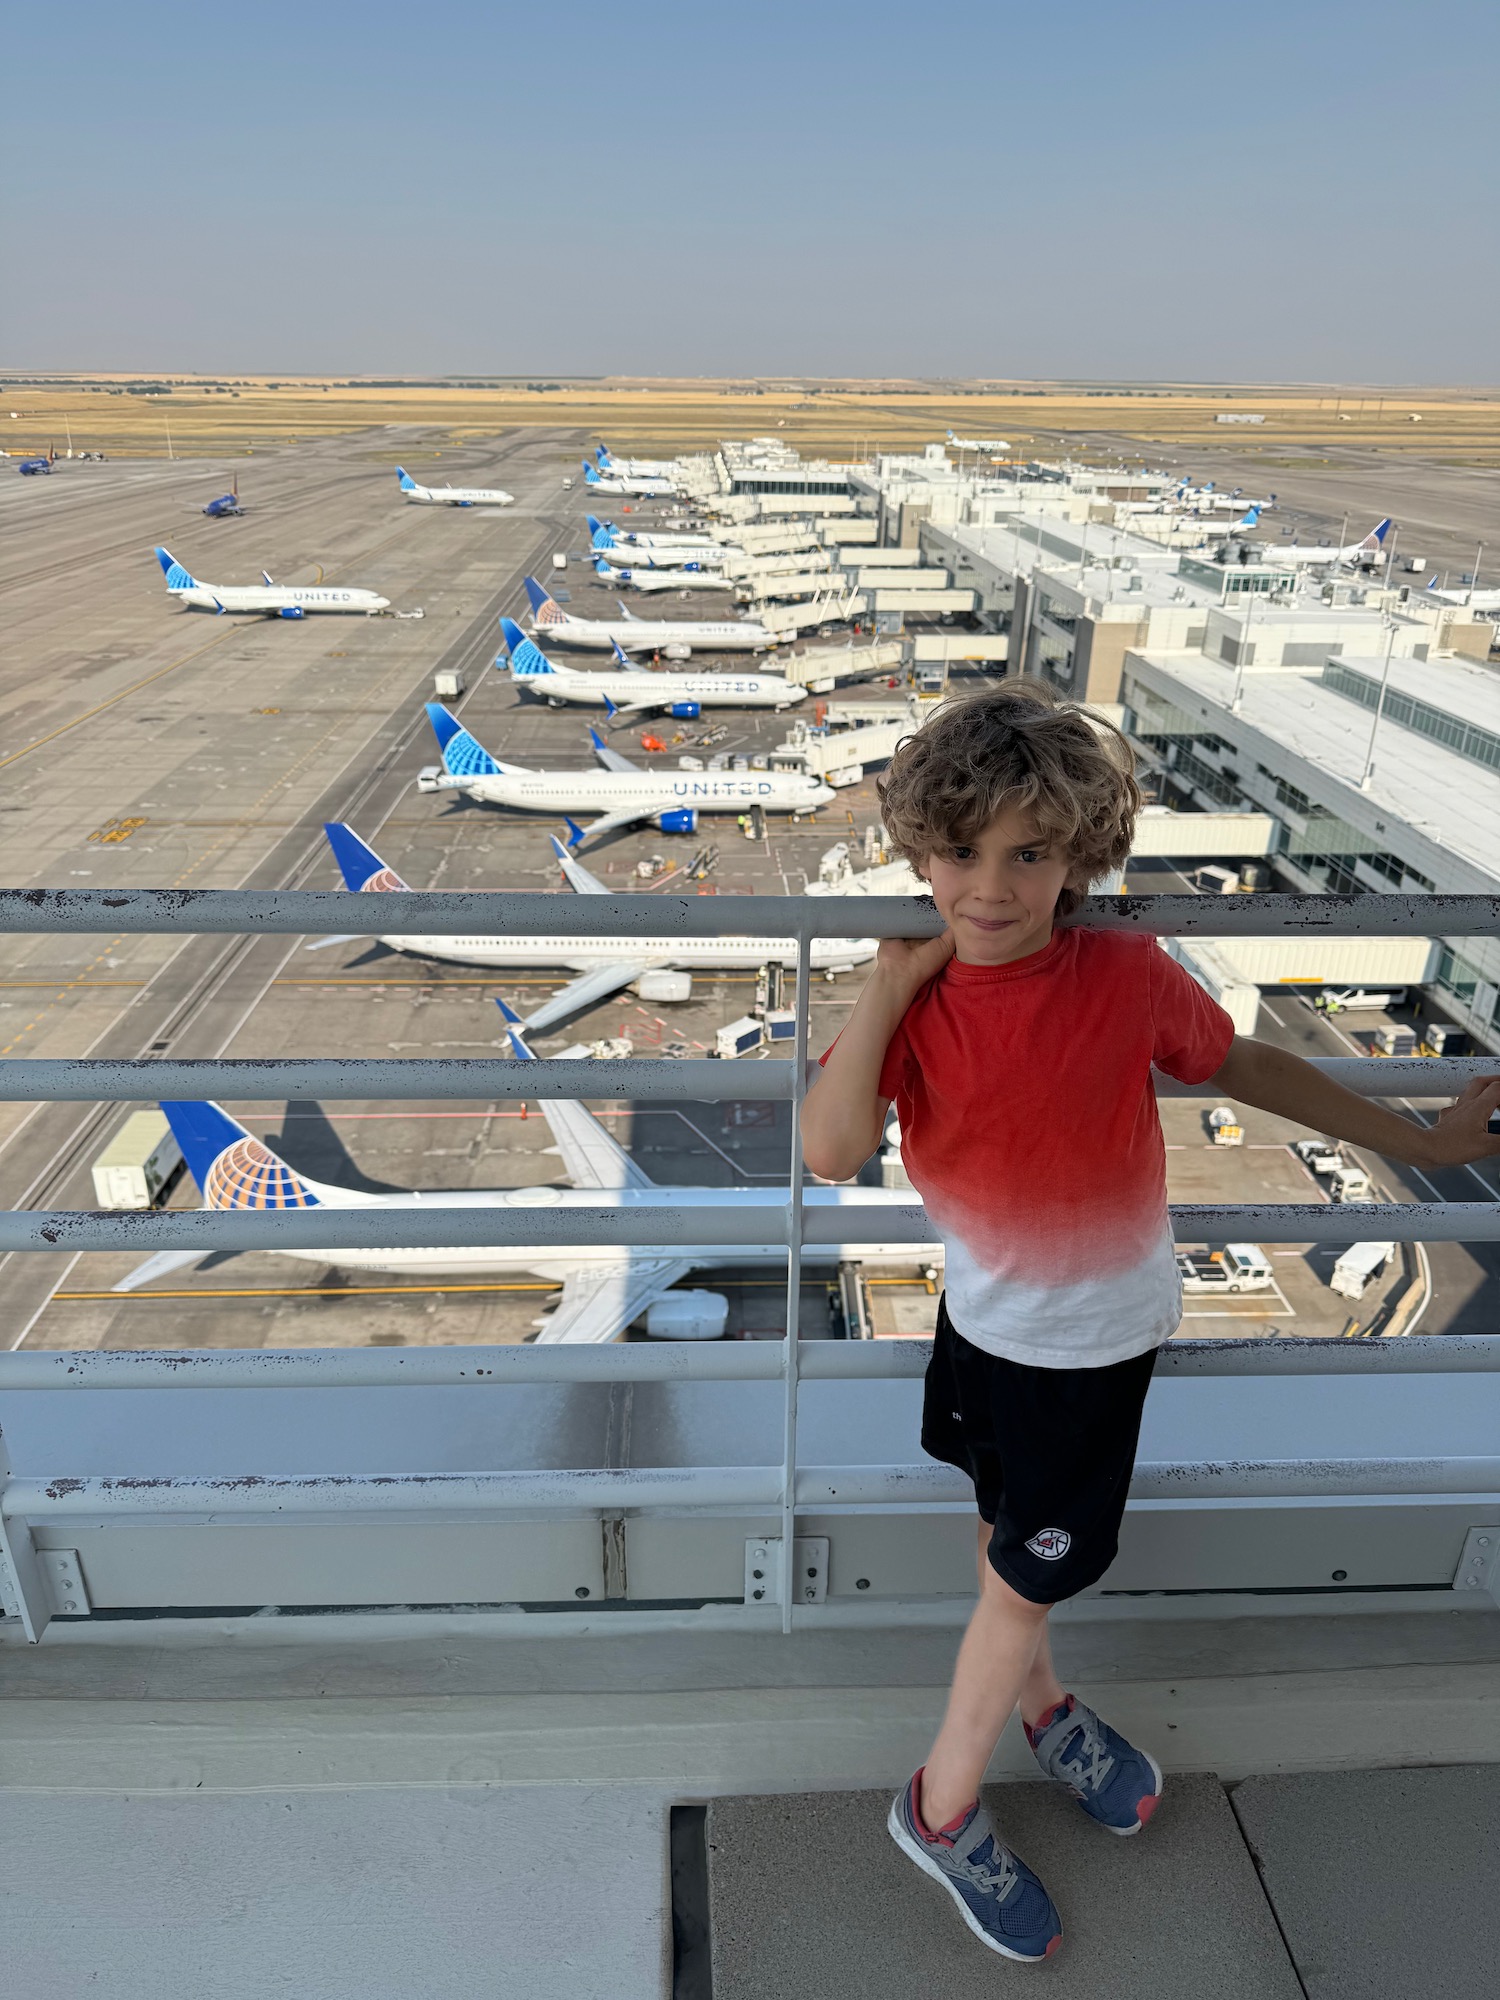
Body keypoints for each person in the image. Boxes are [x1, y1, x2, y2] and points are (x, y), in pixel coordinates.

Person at [800, 682, 1500, 1964]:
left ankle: (1044, 1706)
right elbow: (833, 1149)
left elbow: (1246, 1064)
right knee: (1023, 1566)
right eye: (959, 853)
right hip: (996, 1336)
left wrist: (1418, 1135)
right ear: (916, 855)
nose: (992, 887)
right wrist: (891, 989)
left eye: (1029, 852)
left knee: (1016, 1561)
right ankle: (938, 1807)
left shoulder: (1123, 972)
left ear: (1082, 856)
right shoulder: (923, 1002)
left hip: (1093, 1345)